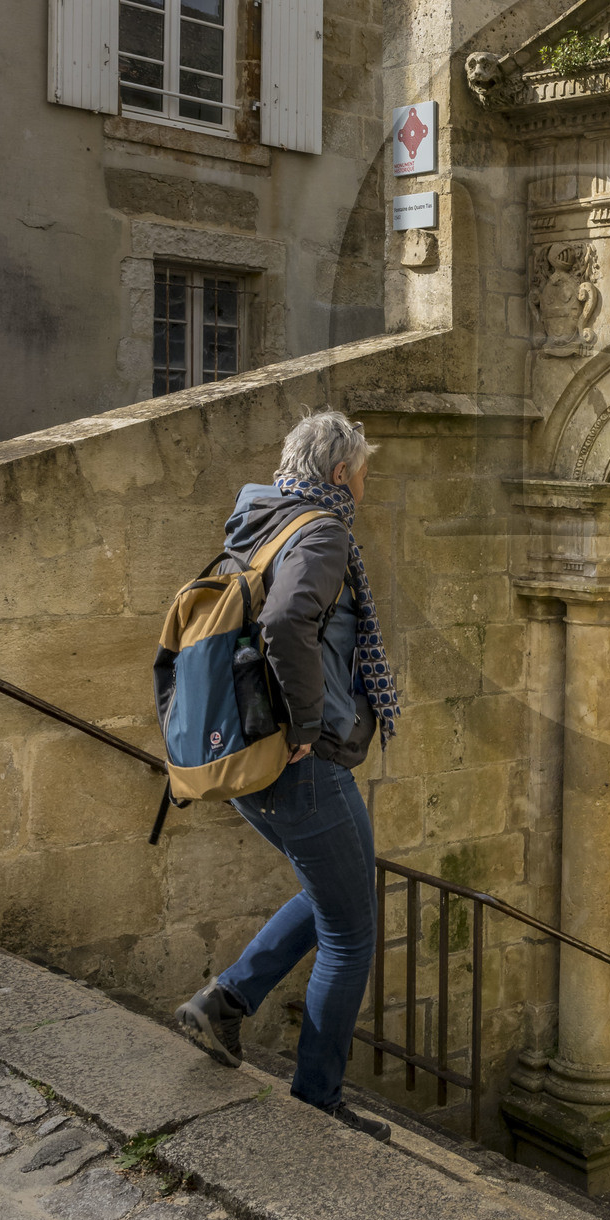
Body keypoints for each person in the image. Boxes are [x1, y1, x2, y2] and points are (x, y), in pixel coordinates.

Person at [174, 410, 401, 1138]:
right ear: (339, 474)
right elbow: (282, 623)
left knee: (333, 891)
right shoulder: (323, 530)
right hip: (301, 763)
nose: (365, 487)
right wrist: (306, 727)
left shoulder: (258, 519)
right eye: (363, 473)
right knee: (352, 931)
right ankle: (318, 1096)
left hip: (251, 761)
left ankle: (227, 1001)